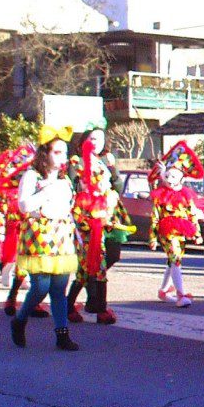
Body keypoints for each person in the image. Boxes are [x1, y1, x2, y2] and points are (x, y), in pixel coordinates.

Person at [9, 126, 80, 351]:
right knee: (40, 286)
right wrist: (46, 193)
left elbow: (68, 205)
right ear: (45, 153)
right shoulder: (32, 175)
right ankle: (20, 320)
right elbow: (23, 205)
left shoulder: (64, 178)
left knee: (59, 289)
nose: (62, 158)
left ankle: (62, 334)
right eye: (57, 152)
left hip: (60, 236)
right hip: (38, 235)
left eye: (64, 152)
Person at [65, 127, 120, 325]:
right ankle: (91, 308)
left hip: (102, 218)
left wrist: (113, 170)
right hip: (84, 220)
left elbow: (116, 187)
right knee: (90, 265)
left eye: (101, 138)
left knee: (97, 264)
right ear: (84, 140)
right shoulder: (75, 162)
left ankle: (93, 306)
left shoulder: (104, 163)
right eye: (93, 138)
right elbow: (70, 190)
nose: (97, 142)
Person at [150, 141, 204, 308]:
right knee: (175, 259)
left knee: (174, 259)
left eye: (174, 176)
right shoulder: (160, 197)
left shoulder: (186, 195)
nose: (170, 180)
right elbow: (155, 217)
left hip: (181, 230)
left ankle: (164, 290)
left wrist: (197, 234)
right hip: (166, 232)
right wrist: (152, 237)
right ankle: (181, 294)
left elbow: (192, 214)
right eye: (167, 176)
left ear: (181, 178)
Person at [0, 144, 49, 318]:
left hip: (47, 223)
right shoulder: (29, 171)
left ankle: (17, 299)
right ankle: (15, 299)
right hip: (29, 221)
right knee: (29, 261)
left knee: (37, 264)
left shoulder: (55, 171)